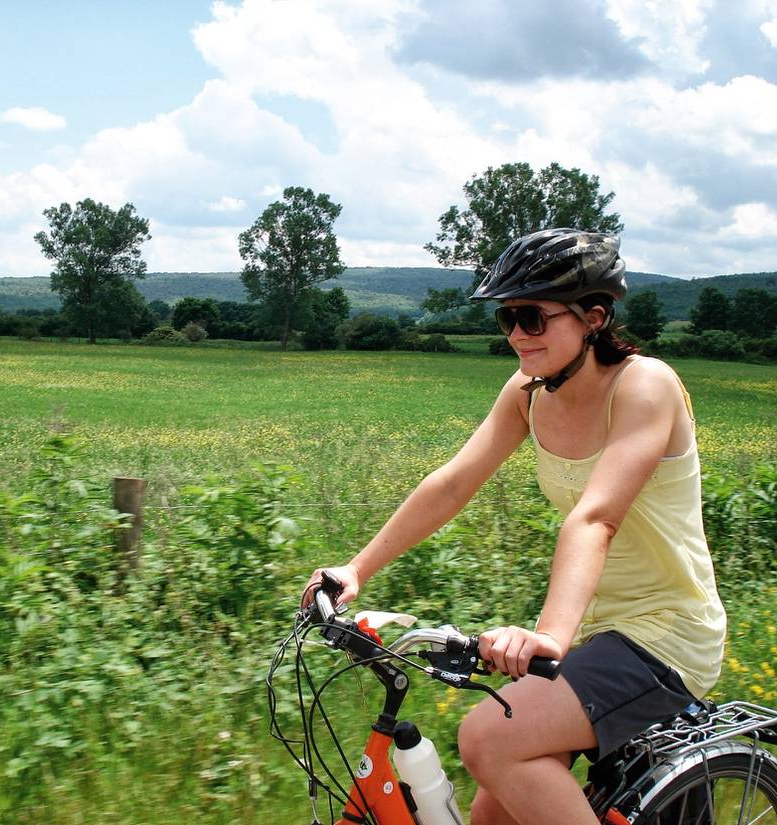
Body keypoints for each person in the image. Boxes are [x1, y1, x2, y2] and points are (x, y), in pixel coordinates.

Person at [302, 228, 726, 825]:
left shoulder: (645, 386)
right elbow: (453, 483)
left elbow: (596, 516)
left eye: (533, 317)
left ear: (593, 318)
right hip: (597, 634)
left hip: (668, 634)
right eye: (507, 318)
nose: (517, 335)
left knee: (487, 740)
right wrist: (356, 568)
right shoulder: (528, 395)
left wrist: (548, 635)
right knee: (494, 815)